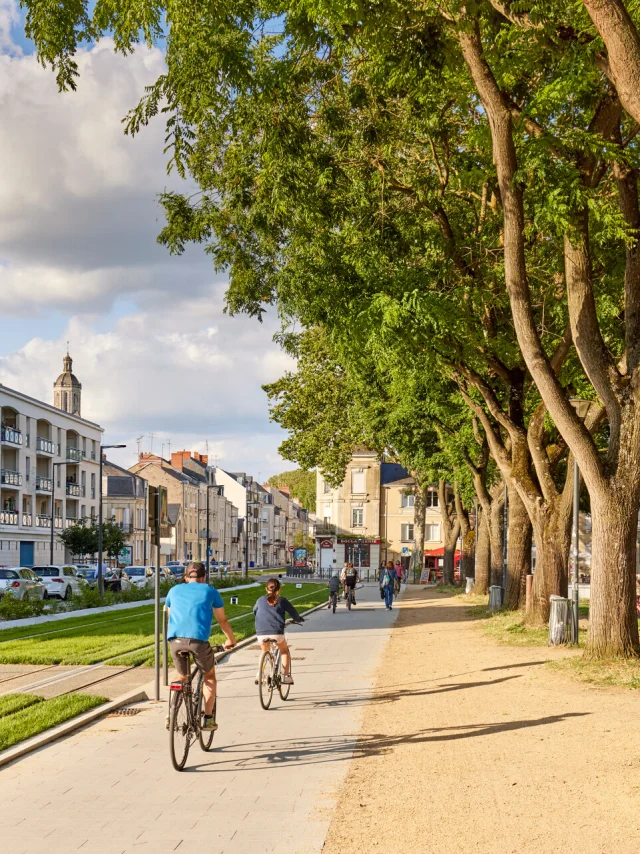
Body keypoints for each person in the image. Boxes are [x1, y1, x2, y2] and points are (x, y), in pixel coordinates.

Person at [165, 561, 236, 732]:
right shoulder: (210, 591)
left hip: (175, 641)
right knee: (209, 676)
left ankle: (171, 712)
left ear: (185, 577)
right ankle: (208, 719)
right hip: (198, 642)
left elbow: (169, 612)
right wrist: (230, 640)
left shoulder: (173, 590)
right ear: (204, 577)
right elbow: (222, 620)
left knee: (181, 676)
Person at [253, 578, 303, 685]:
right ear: (279, 589)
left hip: (261, 632)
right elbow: (293, 613)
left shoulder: (259, 600)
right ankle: (285, 676)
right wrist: (298, 619)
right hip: (276, 632)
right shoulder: (282, 600)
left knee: (263, 651)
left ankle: (259, 673)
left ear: (266, 589)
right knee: (284, 651)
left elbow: (254, 611)